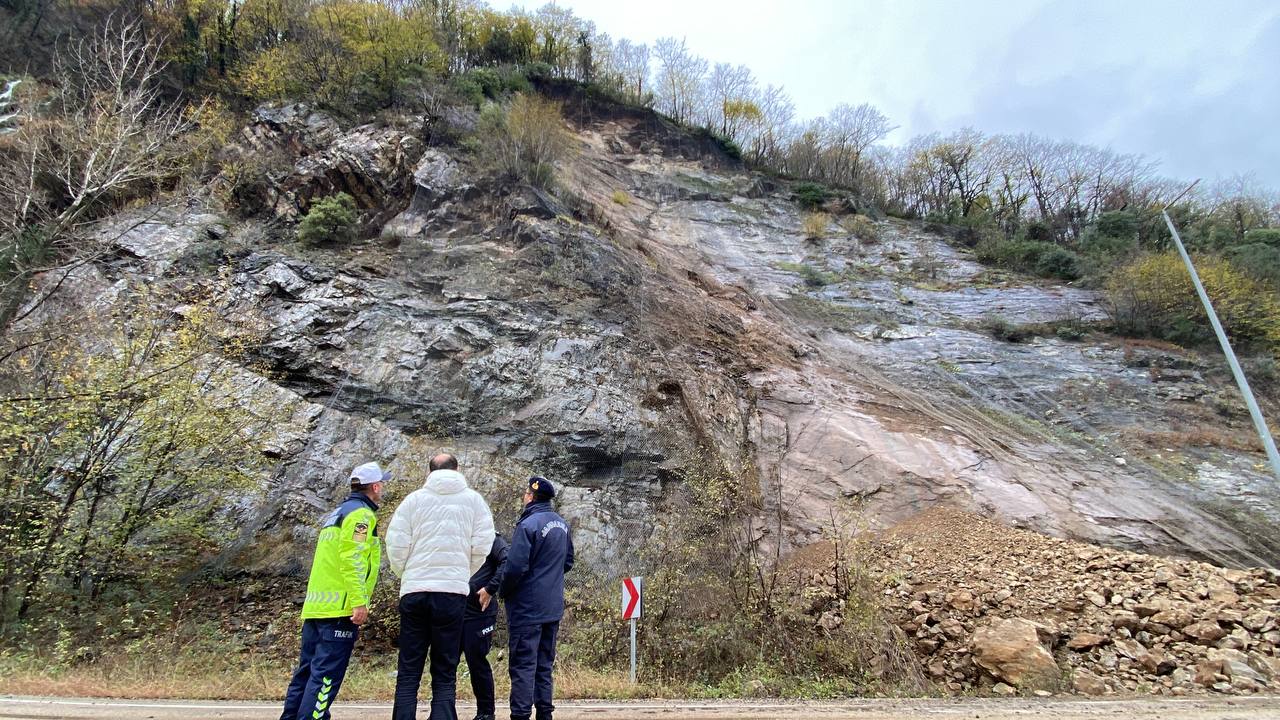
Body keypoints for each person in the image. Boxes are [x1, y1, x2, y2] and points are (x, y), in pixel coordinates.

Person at [386, 453, 495, 720]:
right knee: (445, 669)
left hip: (415, 591)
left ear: (429, 471)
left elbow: (396, 545)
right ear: (457, 469)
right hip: (451, 594)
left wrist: (408, 574)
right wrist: (461, 574)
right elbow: (483, 545)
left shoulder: (413, 501)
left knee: (409, 668)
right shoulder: (473, 501)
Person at [280, 461, 389, 720]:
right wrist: (359, 601)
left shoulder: (336, 514)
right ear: (374, 486)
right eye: (381, 483)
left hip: (317, 607)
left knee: (305, 673)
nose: (383, 488)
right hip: (339, 608)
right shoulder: (361, 516)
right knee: (325, 677)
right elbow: (352, 559)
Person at [500, 477, 574, 720]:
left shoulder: (528, 525)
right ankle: (545, 714)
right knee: (544, 666)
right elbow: (568, 562)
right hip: (552, 607)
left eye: (525, 493)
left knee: (523, 666)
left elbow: (515, 568)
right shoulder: (561, 524)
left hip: (527, 609)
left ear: (531, 496)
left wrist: (503, 592)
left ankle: (520, 715)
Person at [462, 534, 509, 720]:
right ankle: (443, 711)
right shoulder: (457, 531)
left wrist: (490, 588)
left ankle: (486, 713)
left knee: (477, 661)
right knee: (444, 662)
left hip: (480, 612)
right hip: (452, 609)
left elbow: (508, 560)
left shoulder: (491, 537)